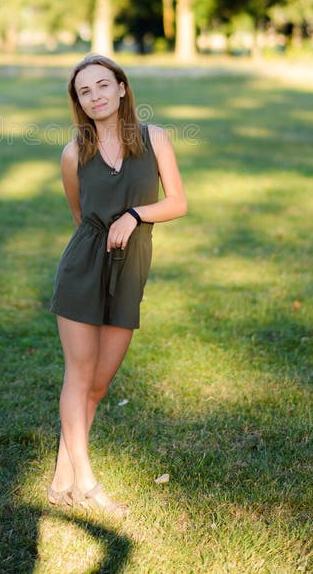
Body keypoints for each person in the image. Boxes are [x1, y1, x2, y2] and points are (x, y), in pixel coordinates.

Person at [48, 54, 187, 518]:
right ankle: (84, 483)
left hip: (130, 269)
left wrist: (134, 214)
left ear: (123, 88)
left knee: (100, 384)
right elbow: (79, 214)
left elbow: (178, 203)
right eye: (84, 92)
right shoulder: (73, 154)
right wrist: (105, 229)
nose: (96, 96)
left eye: (103, 85)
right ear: (79, 102)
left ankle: (60, 479)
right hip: (83, 270)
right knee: (79, 375)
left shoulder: (155, 138)